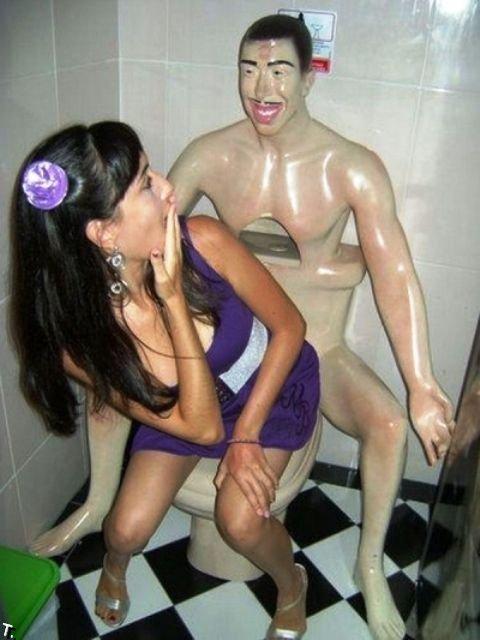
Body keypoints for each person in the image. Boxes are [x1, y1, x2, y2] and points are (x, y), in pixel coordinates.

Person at [29, 14, 455, 640]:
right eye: (249, 68)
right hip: (197, 380)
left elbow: (390, 271)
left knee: (351, 447)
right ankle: (105, 525)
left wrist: (421, 384)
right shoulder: (210, 155)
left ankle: (347, 569)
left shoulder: (348, 167)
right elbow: (126, 248)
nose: (261, 87)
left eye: (279, 70)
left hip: (289, 355)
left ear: (308, 78)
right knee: (125, 512)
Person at [11, 120, 320, 638]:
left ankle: (293, 585)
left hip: (270, 384)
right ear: (105, 233)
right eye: (146, 184)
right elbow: (200, 428)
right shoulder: (83, 344)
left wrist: (247, 434)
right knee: (124, 530)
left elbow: (291, 327)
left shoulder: (204, 239)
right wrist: (173, 299)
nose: (169, 187)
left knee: (240, 521)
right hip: (187, 414)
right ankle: (115, 565)